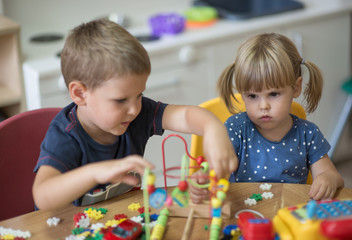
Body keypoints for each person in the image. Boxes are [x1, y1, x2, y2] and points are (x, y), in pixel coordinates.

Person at [32, 19, 238, 210]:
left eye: (139, 95)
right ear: (80, 94)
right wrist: (95, 172)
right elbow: (42, 196)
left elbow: (185, 116)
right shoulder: (65, 135)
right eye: (121, 100)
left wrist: (213, 128)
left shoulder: (137, 113)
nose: (134, 109)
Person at [189, 33, 344, 203]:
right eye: (252, 96)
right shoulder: (236, 128)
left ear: (296, 87)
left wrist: (328, 179)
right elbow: (216, 169)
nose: (263, 106)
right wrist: (203, 177)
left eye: (274, 94)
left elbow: (331, 175)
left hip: (290, 214)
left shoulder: (308, 134)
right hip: (243, 215)